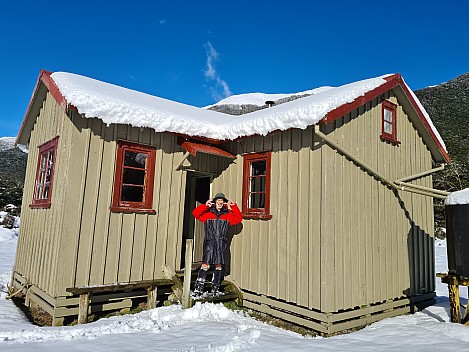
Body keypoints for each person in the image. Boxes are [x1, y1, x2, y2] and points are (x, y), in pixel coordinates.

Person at [192, 192, 242, 296]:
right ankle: (198, 288)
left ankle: (215, 288)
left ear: (224, 202)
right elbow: (195, 213)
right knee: (205, 265)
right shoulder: (208, 212)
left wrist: (234, 206)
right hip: (209, 243)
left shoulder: (228, 214)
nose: (220, 202)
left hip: (222, 244)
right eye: (218, 200)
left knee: (218, 265)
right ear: (215, 201)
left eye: (222, 200)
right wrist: (205, 206)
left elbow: (238, 219)